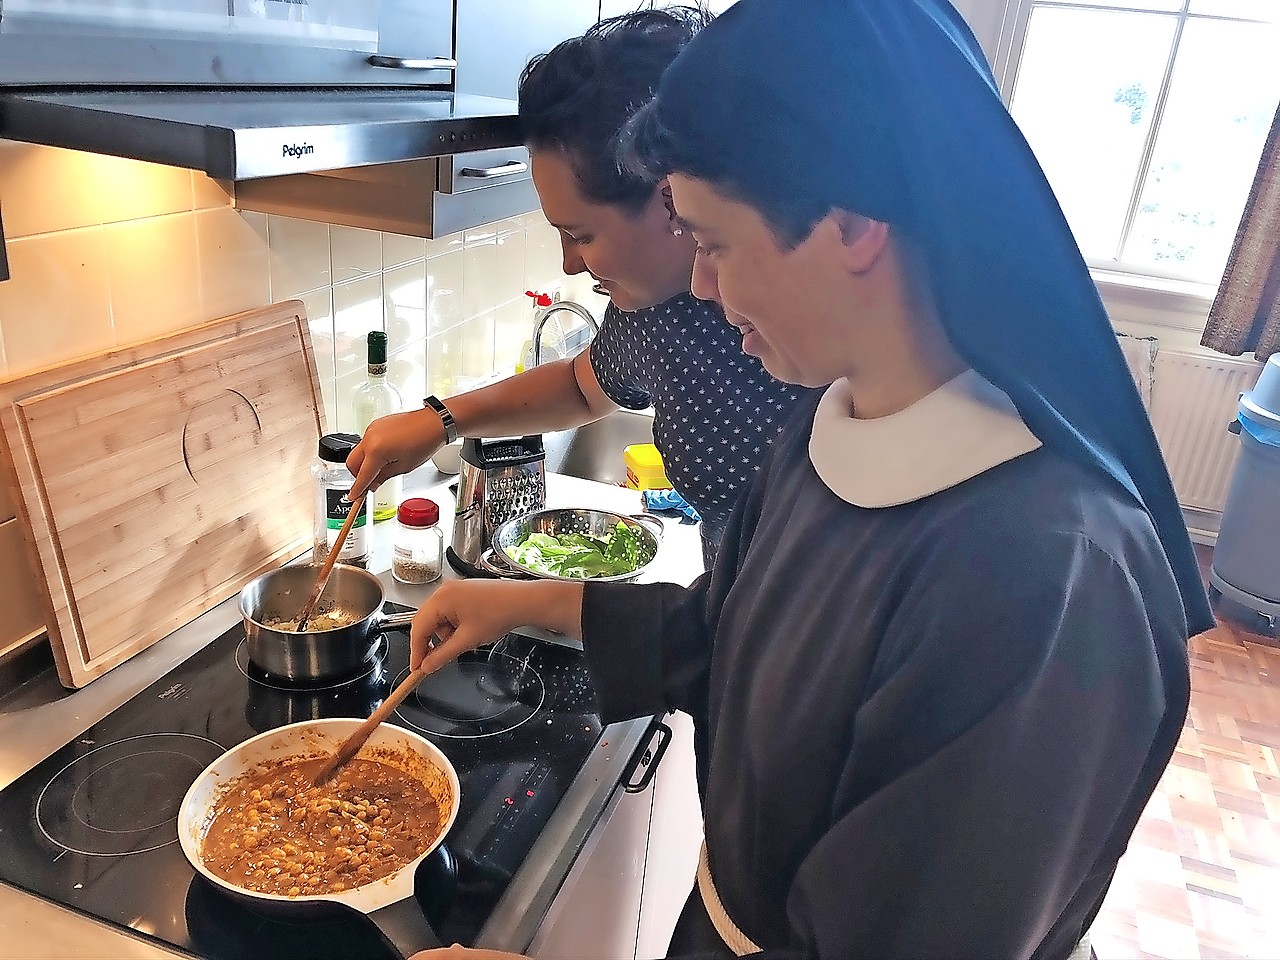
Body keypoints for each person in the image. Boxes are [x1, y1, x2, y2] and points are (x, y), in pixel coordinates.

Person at [406, 0, 1212, 957]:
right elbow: (727, 634)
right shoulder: (831, 426)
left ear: (852, 225)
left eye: (713, 243)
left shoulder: (1046, 578)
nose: (700, 287)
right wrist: (524, 605)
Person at [346, 7, 809, 566]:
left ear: (671, 194)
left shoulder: (803, 325)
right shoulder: (654, 304)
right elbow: (584, 385)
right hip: (733, 626)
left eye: (580, 233)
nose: (569, 264)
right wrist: (439, 419)